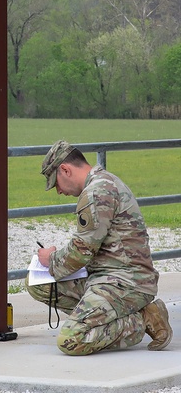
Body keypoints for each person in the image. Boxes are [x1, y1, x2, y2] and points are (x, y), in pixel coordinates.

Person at [29, 139, 172, 355]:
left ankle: (142, 319)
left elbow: (82, 251)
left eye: (56, 183)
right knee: (38, 285)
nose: (58, 191)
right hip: (106, 276)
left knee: (71, 340)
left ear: (65, 170)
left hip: (126, 283)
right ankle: (101, 316)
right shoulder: (102, 183)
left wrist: (52, 259)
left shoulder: (97, 192)